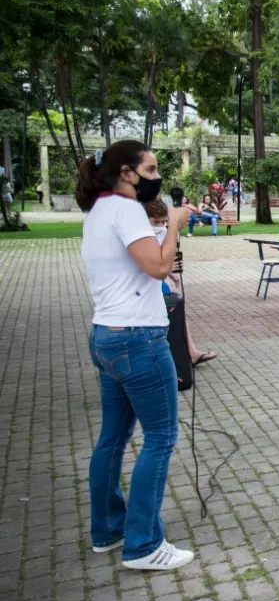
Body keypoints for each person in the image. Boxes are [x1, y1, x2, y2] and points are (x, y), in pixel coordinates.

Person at [77, 139, 196, 570]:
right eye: (150, 170)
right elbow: (159, 267)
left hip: (107, 335)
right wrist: (177, 224)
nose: (156, 177)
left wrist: (163, 231)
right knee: (161, 437)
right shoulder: (127, 210)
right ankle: (143, 544)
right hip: (139, 340)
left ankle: (108, 529)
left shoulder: (99, 212)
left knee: (113, 437)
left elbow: (139, 259)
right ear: (126, 172)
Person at [143, 199, 215, 366]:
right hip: (147, 286)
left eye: (163, 222)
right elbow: (148, 262)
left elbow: (160, 259)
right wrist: (166, 268)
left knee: (177, 311)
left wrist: (170, 272)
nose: (161, 226)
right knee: (164, 317)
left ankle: (190, 352)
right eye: (156, 222)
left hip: (157, 281)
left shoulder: (158, 233)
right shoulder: (141, 238)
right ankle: (177, 355)